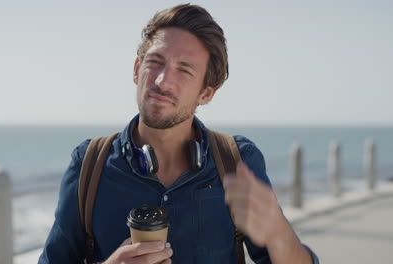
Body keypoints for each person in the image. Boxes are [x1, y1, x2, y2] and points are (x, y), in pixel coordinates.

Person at [39, 4, 319, 264]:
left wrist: (278, 233)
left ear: (206, 92)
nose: (162, 81)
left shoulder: (239, 161)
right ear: (137, 69)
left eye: (184, 70)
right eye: (155, 62)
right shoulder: (88, 164)